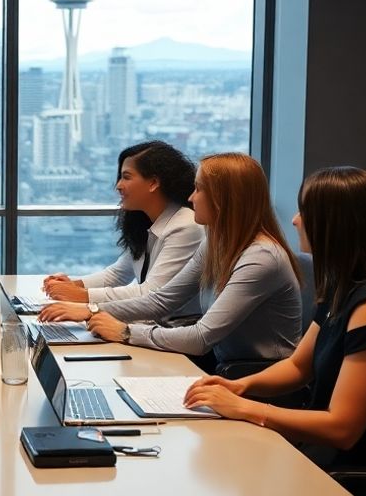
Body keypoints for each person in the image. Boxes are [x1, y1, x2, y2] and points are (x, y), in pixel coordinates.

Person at [184, 166, 366, 496]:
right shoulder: (347, 286)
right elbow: (299, 366)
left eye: (305, 212)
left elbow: (342, 427)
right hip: (343, 462)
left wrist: (247, 409)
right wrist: (240, 386)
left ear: (335, 224)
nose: (295, 220)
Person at [82, 153, 302, 370]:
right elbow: (162, 301)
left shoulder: (261, 258)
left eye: (199, 189)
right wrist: (92, 311)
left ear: (223, 198)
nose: (190, 198)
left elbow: (200, 338)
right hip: (225, 367)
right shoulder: (216, 243)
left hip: (256, 376)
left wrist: (125, 332)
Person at [38, 141, 204, 322]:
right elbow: (118, 274)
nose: (118, 185)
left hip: (175, 332)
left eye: (126, 177)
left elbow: (151, 292)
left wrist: (83, 296)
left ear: (154, 183)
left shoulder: (186, 226)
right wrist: (73, 285)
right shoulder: (146, 221)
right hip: (150, 326)